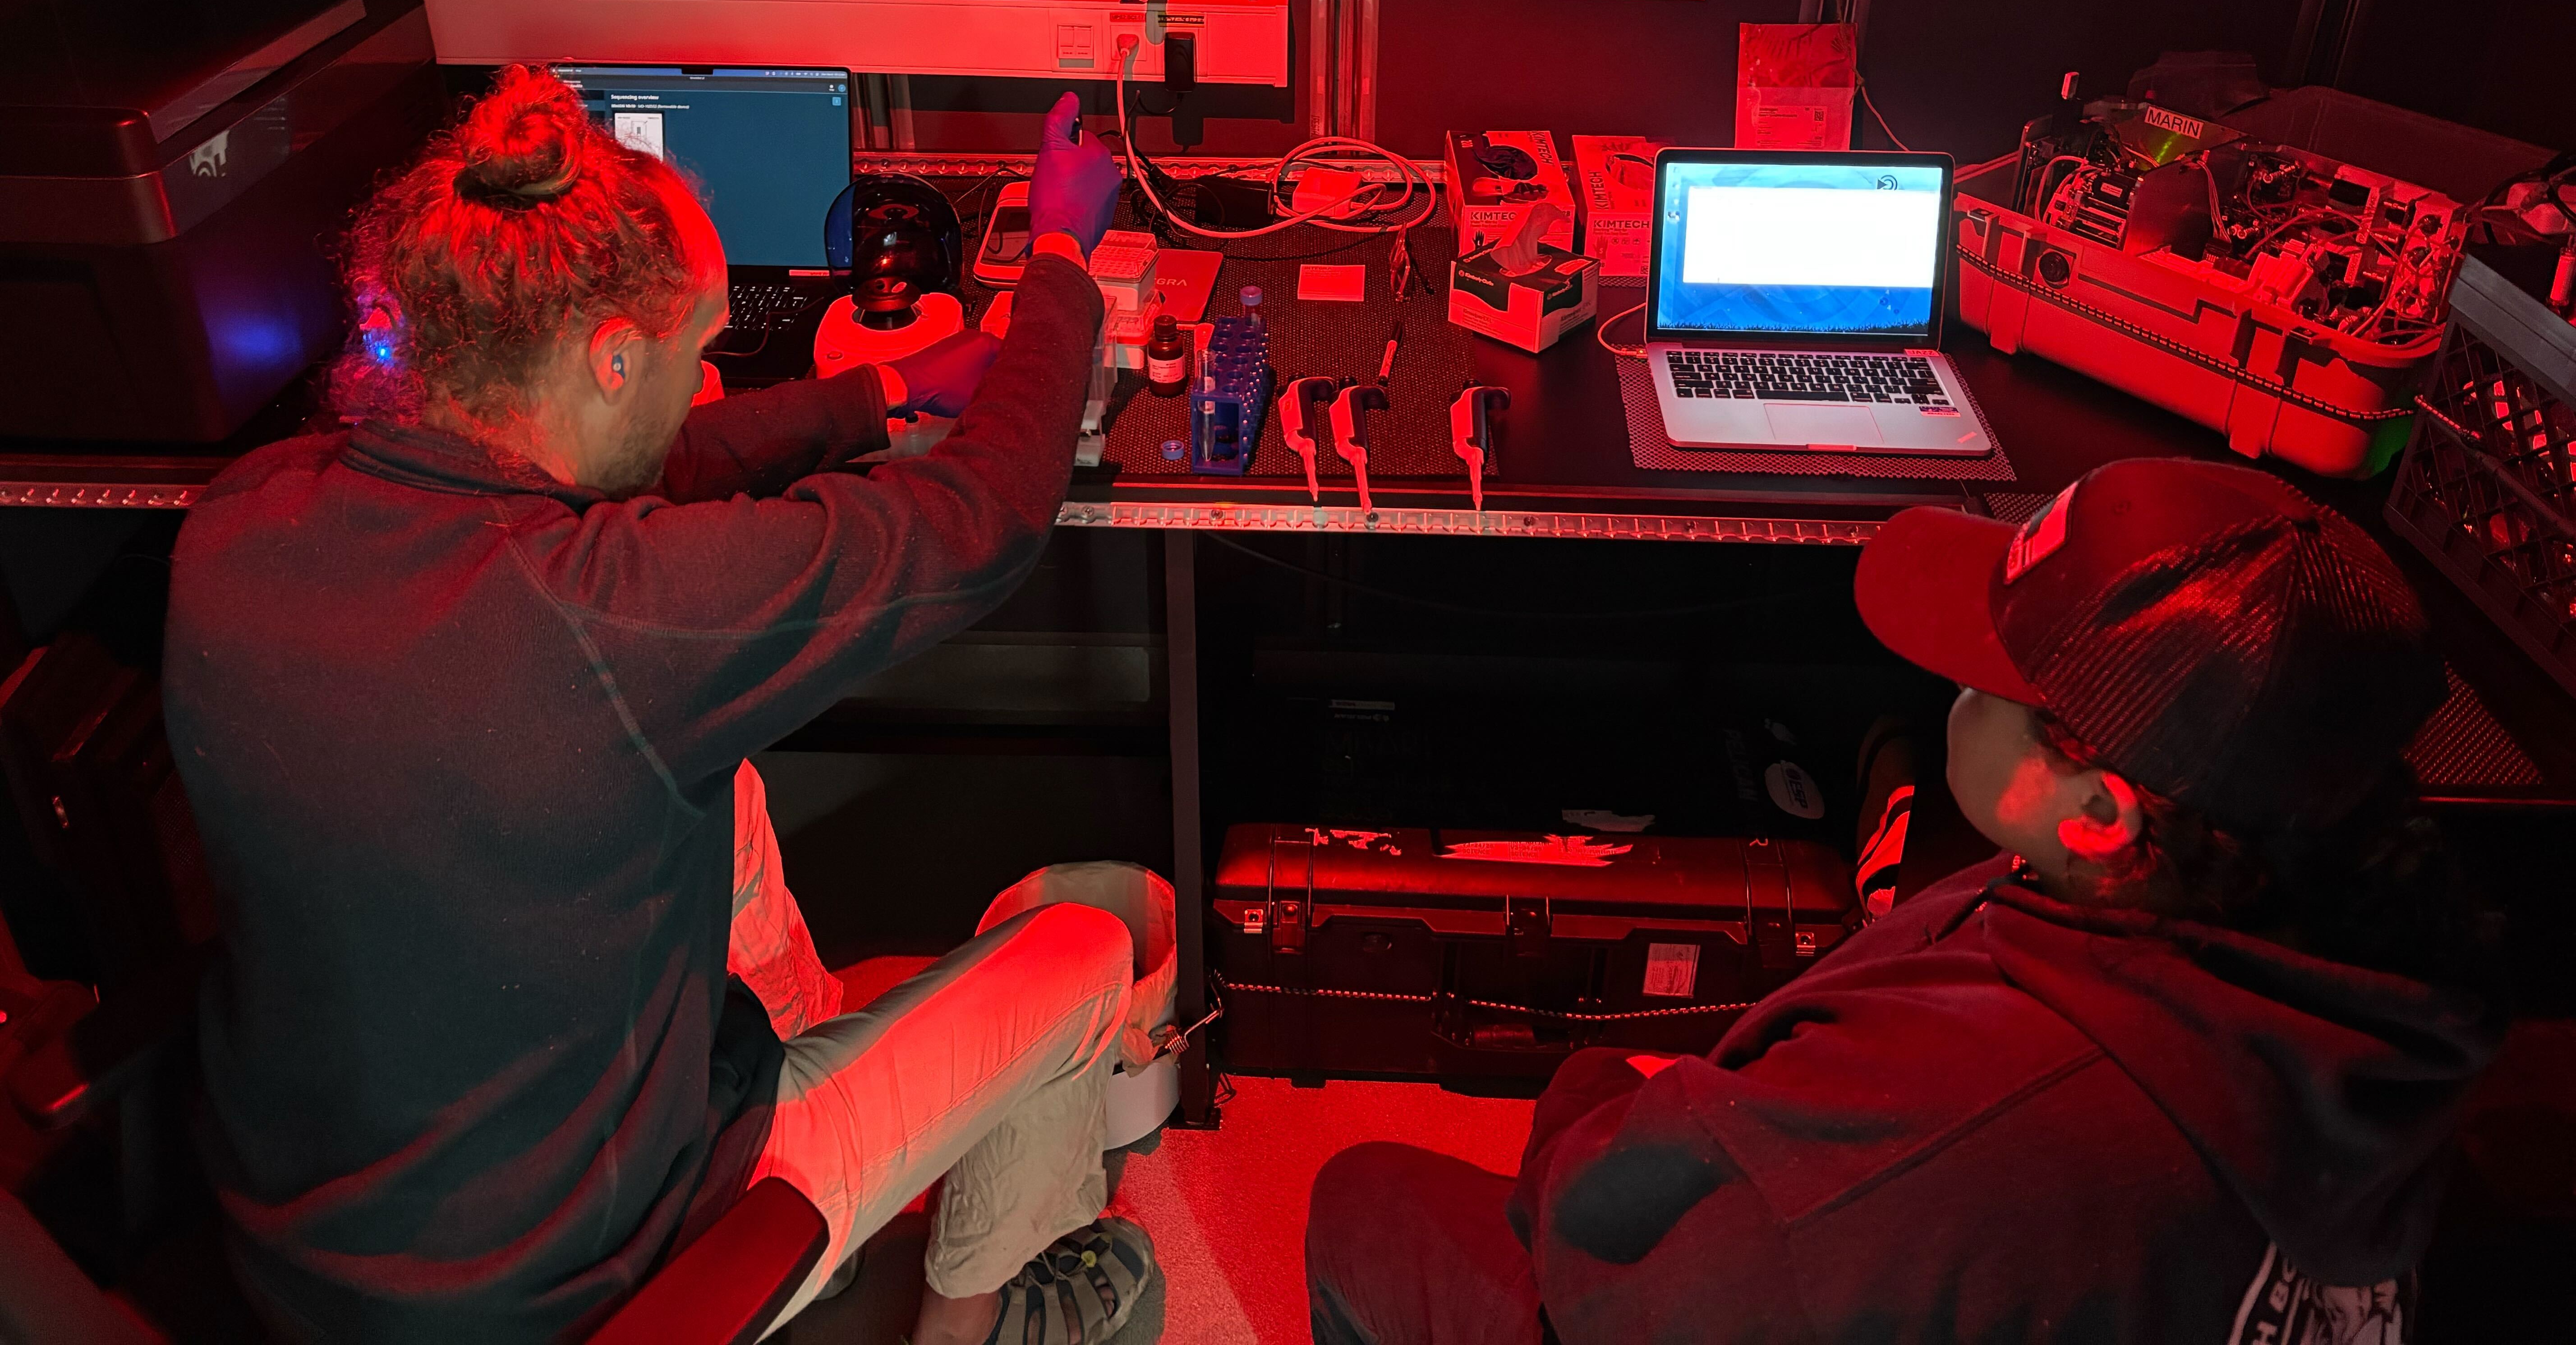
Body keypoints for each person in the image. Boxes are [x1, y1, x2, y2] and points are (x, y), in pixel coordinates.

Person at [165, 68, 1154, 1344]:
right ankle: (972, 1327)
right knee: (1085, 951)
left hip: (313, 1255)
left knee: (717, 779)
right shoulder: (616, 622)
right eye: (694, 355)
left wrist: (884, 390)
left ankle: (812, 1049)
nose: (704, 389)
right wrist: (1061, 255)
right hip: (582, 1281)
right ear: (611, 355)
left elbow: (629, 469)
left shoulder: (244, 523)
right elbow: (983, 521)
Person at [1306, 456, 2504, 1345]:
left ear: (2099, 810)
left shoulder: (1926, 1127)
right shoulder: (2381, 989)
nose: (1947, 685)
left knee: (1366, 1200)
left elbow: (1621, 1279)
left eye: (1986, 678)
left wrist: (1587, 1117)